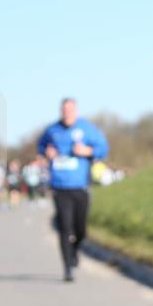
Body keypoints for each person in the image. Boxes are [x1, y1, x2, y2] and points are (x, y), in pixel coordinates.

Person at [37, 98, 109, 282]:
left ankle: (75, 250)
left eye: (70, 110)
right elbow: (41, 146)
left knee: (80, 230)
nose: (67, 113)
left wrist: (87, 151)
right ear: (60, 111)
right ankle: (67, 266)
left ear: (76, 111)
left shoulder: (87, 128)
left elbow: (103, 148)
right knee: (64, 227)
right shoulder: (52, 130)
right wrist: (47, 152)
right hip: (60, 186)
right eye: (64, 110)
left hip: (80, 186)